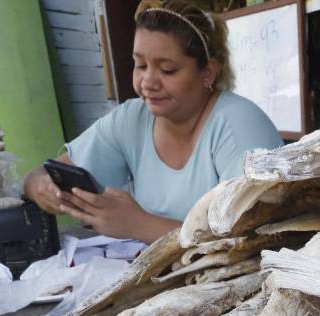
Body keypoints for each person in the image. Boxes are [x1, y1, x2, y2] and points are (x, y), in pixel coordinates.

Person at [23, 0, 282, 243]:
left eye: (167, 69)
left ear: (208, 72)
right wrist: (42, 187)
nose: (148, 82)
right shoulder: (131, 119)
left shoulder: (239, 125)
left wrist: (140, 224)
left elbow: (252, 239)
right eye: (140, 65)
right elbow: (42, 174)